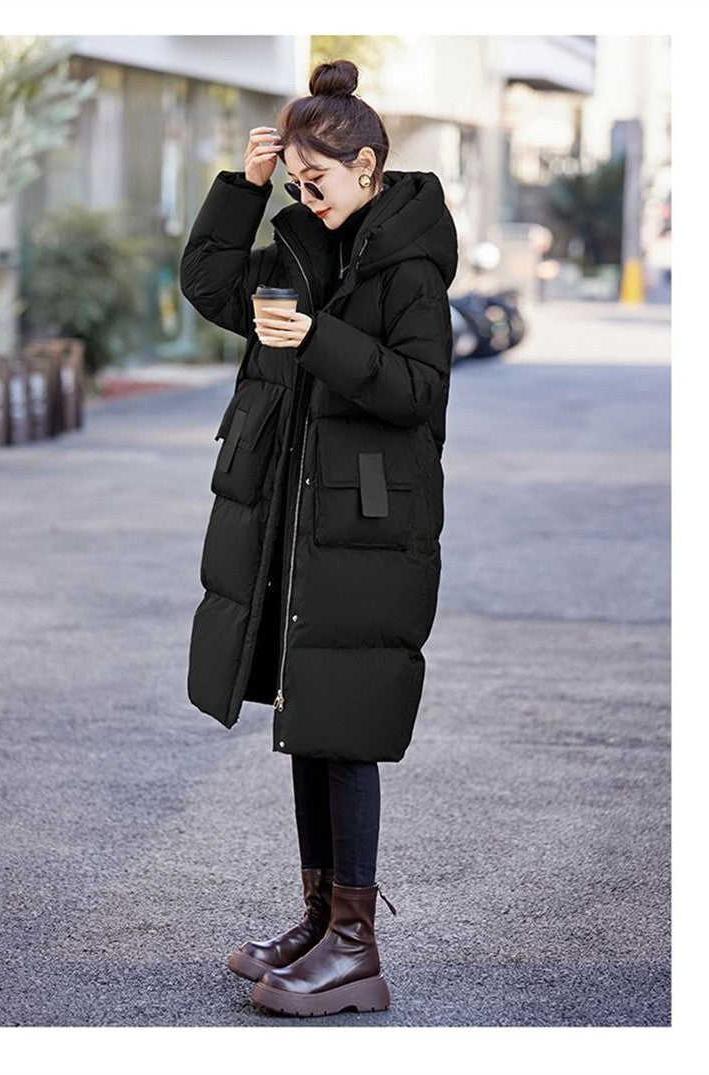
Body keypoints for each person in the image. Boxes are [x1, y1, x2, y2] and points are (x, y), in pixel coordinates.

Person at [179, 58, 458, 1018]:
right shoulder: (294, 245)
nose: (307, 196)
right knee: (309, 722)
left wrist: (317, 341)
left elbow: (420, 390)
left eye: (317, 180)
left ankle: (356, 949)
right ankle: (319, 919)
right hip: (298, 523)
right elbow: (207, 283)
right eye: (295, 182)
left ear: (367, 167)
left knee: (345, 730)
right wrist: (245, 188)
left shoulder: (411, 267)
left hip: (366, 529)